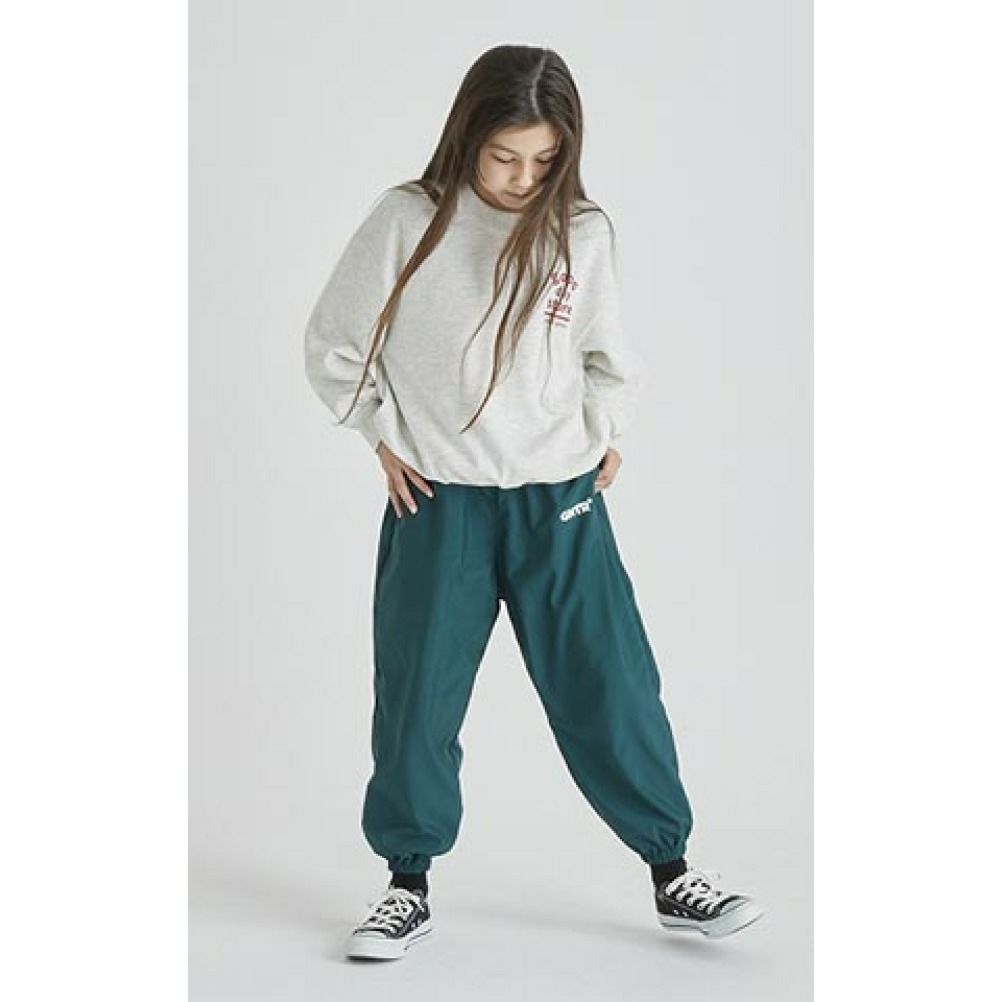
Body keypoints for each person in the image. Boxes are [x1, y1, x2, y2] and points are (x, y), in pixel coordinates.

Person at [304, 45, 763, 961]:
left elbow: (608, 356)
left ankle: (672, 871)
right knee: (418, 696)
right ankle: (405, 885)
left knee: (610, 682)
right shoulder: (409, 219)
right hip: (440, 499)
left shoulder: (580, 231)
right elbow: (334, 343)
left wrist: (604, 432)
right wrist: (380, 436)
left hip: (559, 497)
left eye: (544, 160)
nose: (522, 178)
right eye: (504, 157)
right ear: (468, 137)